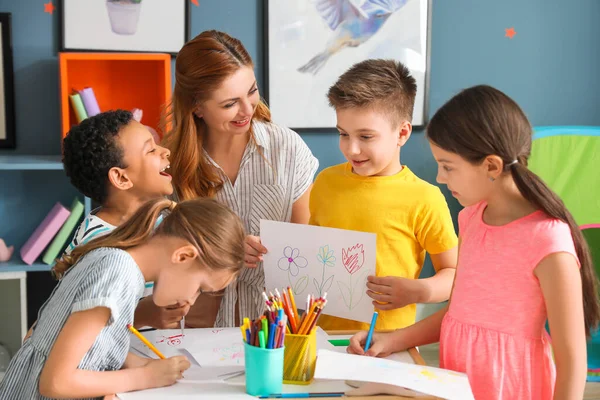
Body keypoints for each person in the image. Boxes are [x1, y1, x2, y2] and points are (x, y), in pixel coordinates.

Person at [348, 85, 600, 400]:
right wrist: (392, 340)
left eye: (448, 166)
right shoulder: (470, 219)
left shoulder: (547, 240)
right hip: (457, 385)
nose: (440, 177)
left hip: (511, 387)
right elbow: (461, 313)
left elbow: (572, 358)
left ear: (491, 166)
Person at [0, 197, 246, 399]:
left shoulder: (121, 265)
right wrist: (145, 378)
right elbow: (55, 383)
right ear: (183, 256)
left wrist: (135, 363)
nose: (192, 301)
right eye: (200, 288)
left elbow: (72, 339)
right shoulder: (117, 274)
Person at [162, 30, 319, 327]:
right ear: (196, 107)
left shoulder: (287, 147)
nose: (248, 110)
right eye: (229, 103)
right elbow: (162, 256)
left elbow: (305, 240)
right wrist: (224, 249)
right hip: (197, 325)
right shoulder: (169, 163)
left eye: (251, 90)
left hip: (272, 325)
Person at [311, 59, 458, 331]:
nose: (352, 149)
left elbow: (455, 274)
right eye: (344, 134)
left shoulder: (425, 198)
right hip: (323, 338)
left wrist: (418, 291)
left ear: (402, 132)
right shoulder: (325, 182)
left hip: (389, 343)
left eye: (366, 137)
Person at [62, 109, 187, 329]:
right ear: (121, 177)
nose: (165, 151)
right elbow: (84, 322)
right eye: (151, 150)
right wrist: (145, 315)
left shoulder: (164, 220)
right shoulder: (96, 244)